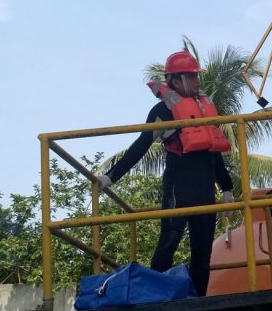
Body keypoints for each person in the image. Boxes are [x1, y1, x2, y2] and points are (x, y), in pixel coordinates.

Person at [97, 51, 234, 295]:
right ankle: (155, 297)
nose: (197, 81)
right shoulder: (161, 111)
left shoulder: (204, 109)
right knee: (168, 242)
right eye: (192, 76)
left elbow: (213, 152)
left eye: (196, 76)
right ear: (176, 81)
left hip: (203, 187)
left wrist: (226, 188)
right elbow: (140, 146)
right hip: (178, 186)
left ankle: (199, 299)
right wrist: (111, 176)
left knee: (203, 250)